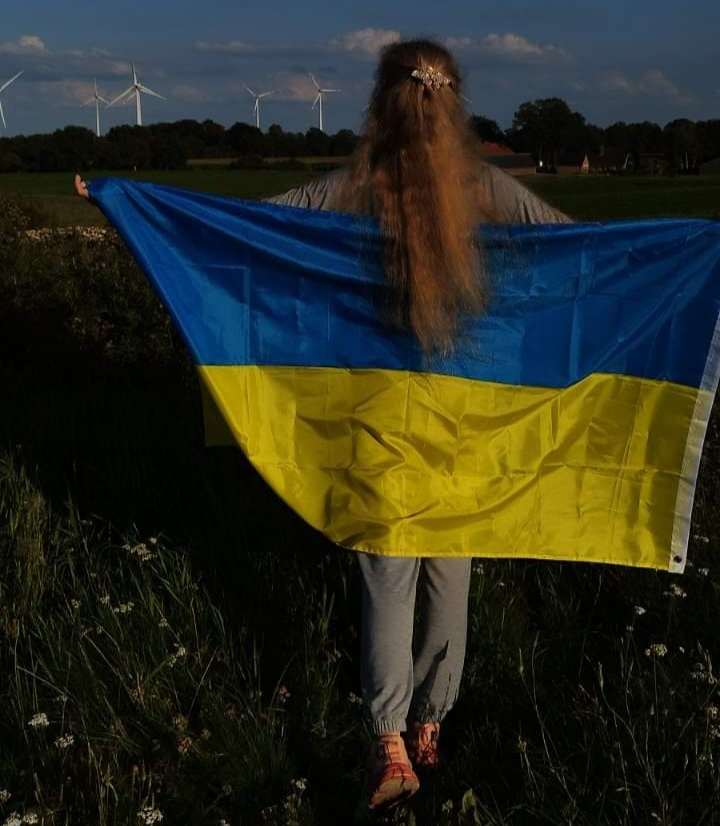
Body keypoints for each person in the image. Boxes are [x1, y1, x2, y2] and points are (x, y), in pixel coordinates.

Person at [74, 37, 572, 814]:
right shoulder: (487, 187)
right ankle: (431, 724)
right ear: (455, 105)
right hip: (467, 421)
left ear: (383, 103)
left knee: (387, 571)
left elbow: (244, 228)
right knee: (451, 567)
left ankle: (390, 743)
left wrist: (130, 202)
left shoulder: (357, 183)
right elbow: (578, 249)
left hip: (378, 421)